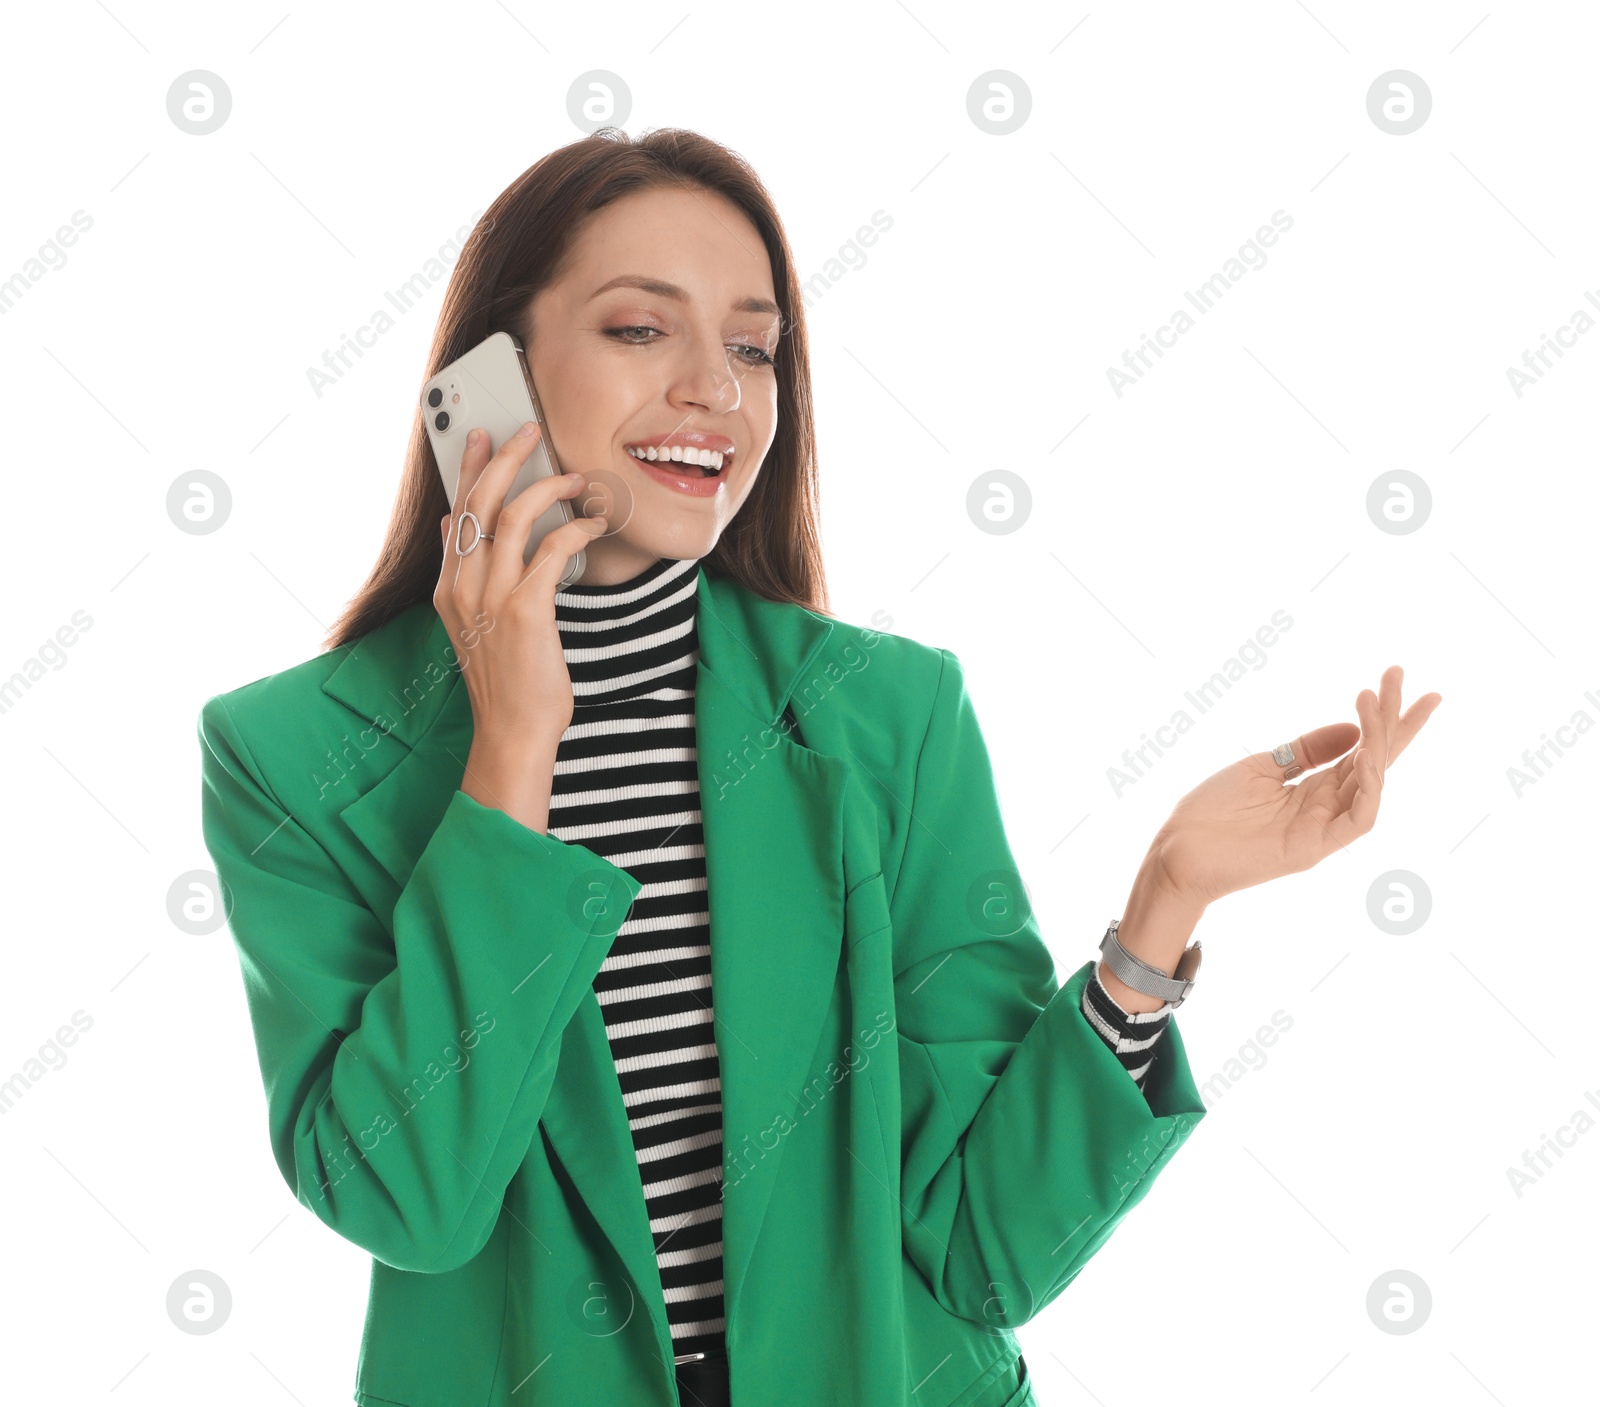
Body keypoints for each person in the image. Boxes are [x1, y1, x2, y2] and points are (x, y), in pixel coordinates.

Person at [197, 127, 1441, 1407]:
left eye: (751, 347)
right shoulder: (291, 755)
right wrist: (515, 743)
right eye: (641, 330)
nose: (715, 394)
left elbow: (983, 1247)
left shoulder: (888, 714)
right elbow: (411, 1197)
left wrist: (1160, 915)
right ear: (489, 374)